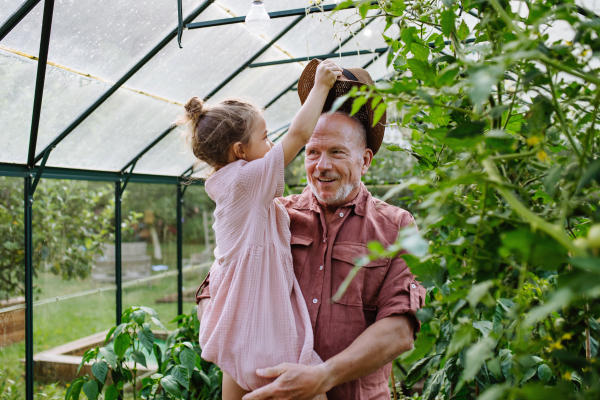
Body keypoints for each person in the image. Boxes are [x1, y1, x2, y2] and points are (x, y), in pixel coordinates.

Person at [197, 59, 427, 400]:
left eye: (336, 152)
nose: (322, 166)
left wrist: (322, 376)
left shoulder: (397, 227)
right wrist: (241, 346)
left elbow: (400, 330)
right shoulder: (274, 214)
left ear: (364, 160)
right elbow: (214, 288)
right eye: (313, 152)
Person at [180, 60, 343, 400]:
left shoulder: (231, 183)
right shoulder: (245, 179)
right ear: (240, 151)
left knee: (238, 379)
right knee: (311, 386)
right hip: (260, 321)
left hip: (240, 319)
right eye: (266, 137)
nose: (271, 144)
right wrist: (321, 87)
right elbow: (298, 136)